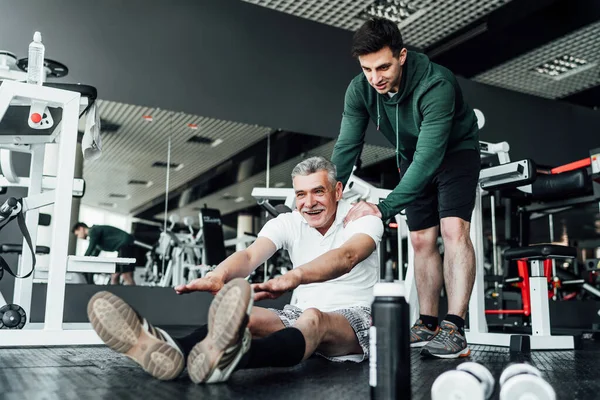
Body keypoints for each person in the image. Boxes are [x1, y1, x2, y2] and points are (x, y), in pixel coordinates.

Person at [86, 156, 383, 383]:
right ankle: (170, 349)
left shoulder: (361, 216)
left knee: (314, 318)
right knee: (247, 318)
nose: (308, 203)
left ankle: (232, 358)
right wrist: (219, 274)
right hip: (298, 316)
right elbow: (250, 254)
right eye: (301, 194)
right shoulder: (289, 221)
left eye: (318, 192)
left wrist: (293, 277)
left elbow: (347, 256)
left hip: (355, 320)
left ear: (338, 190)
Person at [330, 17, 481, 359]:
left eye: (382, 66)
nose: (375, 77)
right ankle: (427, 323)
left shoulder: (436, 84)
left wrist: (383, 210)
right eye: (367, 69)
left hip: (456, 152)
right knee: (420, 238)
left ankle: (455, 326)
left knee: (453, 229)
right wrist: (329, 193)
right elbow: (347, 146)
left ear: (401, 55)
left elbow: (430, 159)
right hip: (412, 156)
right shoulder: (360, 89)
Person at [72, 222, 138, 285]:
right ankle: (116, 295)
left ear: (81, 228)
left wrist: (81, 261)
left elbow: (90, 249)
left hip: (126, 244)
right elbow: (93, 255)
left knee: (126, 275)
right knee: (114, 275)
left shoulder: (93, 231)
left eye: (77, 234)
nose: (79, 237)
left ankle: (135, 295)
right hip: (123, 247)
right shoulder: (96, 238)